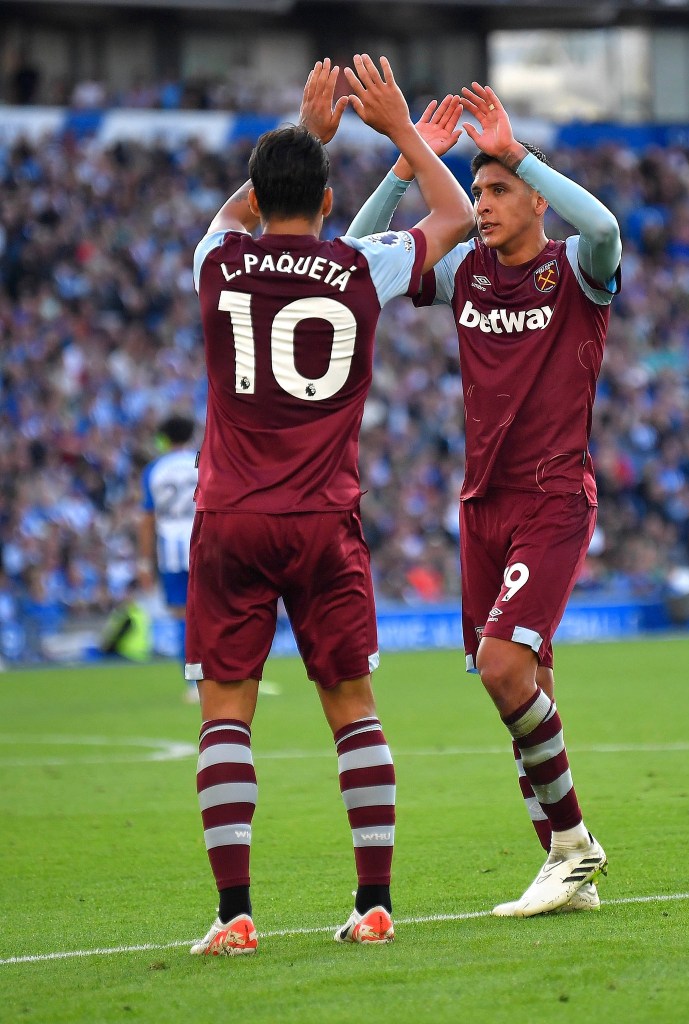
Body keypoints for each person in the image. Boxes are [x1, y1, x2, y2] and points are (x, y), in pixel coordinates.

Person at [186, 56, 472, 955]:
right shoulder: (361, 264)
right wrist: (399, 134)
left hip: (230, 514)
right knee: (352, 705)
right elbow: (458, 217)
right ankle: (374, 901)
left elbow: (233, 215)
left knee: (226, 710)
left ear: (263, 193)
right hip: (323, 519)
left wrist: (307, 135)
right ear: (324, 196)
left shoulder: (217, 263)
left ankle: (235, 915)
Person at [348, 82, 621, 916]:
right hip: (482, 506)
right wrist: (402, 169)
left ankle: (574, 845)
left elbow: (605, 226)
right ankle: (560, 869)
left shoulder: (575, 268)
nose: (482, 204)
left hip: (549, 497)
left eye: (498, 190)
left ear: (536, 198)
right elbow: (351, 265)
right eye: (476, 191)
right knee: (519, 682)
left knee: (505, 668)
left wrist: (522, 151)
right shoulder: (463, 267)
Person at [138, 413, 199, 700]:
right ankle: (230, 676)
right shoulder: (203, 461)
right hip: (205, 544)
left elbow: (147, 519)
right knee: (215, 613)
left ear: (165, 439)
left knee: (182, 620)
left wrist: (143, 562)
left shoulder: (155, 469)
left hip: (170, 551)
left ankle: (193, 684)